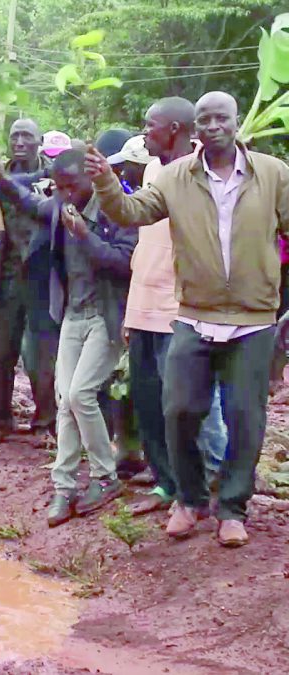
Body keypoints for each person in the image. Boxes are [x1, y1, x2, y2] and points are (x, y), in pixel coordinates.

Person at [87, 91, 289, 547]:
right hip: (194, 316)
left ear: (235, 123)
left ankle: (234, 509)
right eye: (205, 120)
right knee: (179, 410)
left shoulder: (273, 174)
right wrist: (105, 183)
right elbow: (132, 212)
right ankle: (191, 501)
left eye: (222, 118)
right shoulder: (176, 176)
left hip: (253, 320)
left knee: (245, 417)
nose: (214, 125)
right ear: (194, 129)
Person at [0, 150, 138, 525]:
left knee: (81, 394)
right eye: (58, 187)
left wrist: (84, 235)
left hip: (107, 318)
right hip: (73, 315)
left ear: (90, 181)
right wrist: (1, 180)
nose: (64, 194)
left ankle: (106, 477)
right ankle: (64, 486)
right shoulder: (60, 204)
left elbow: (124, 263)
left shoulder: (116, 210)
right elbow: (29, 202)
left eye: (71, 186)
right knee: (64, 401)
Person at [121, 98, 228, 516]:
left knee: (189, 407)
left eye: (152, 126)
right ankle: (169, 486)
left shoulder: (206, 171)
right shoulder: (152, 171)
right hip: (144, 304)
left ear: (177, 130)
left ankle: (215, 485)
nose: (145, 132)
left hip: (180, 309)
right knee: (150, 405)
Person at [0, 119, 59, 446]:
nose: (20, 141)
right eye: (14, 136)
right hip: (7, 273)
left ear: (40, 141)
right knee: (2, 354)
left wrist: (1, 179)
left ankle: (44, 425)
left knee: (41, 357)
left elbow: (28, 196)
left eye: (27, 136)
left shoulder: (52, 176)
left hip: (41, 274)